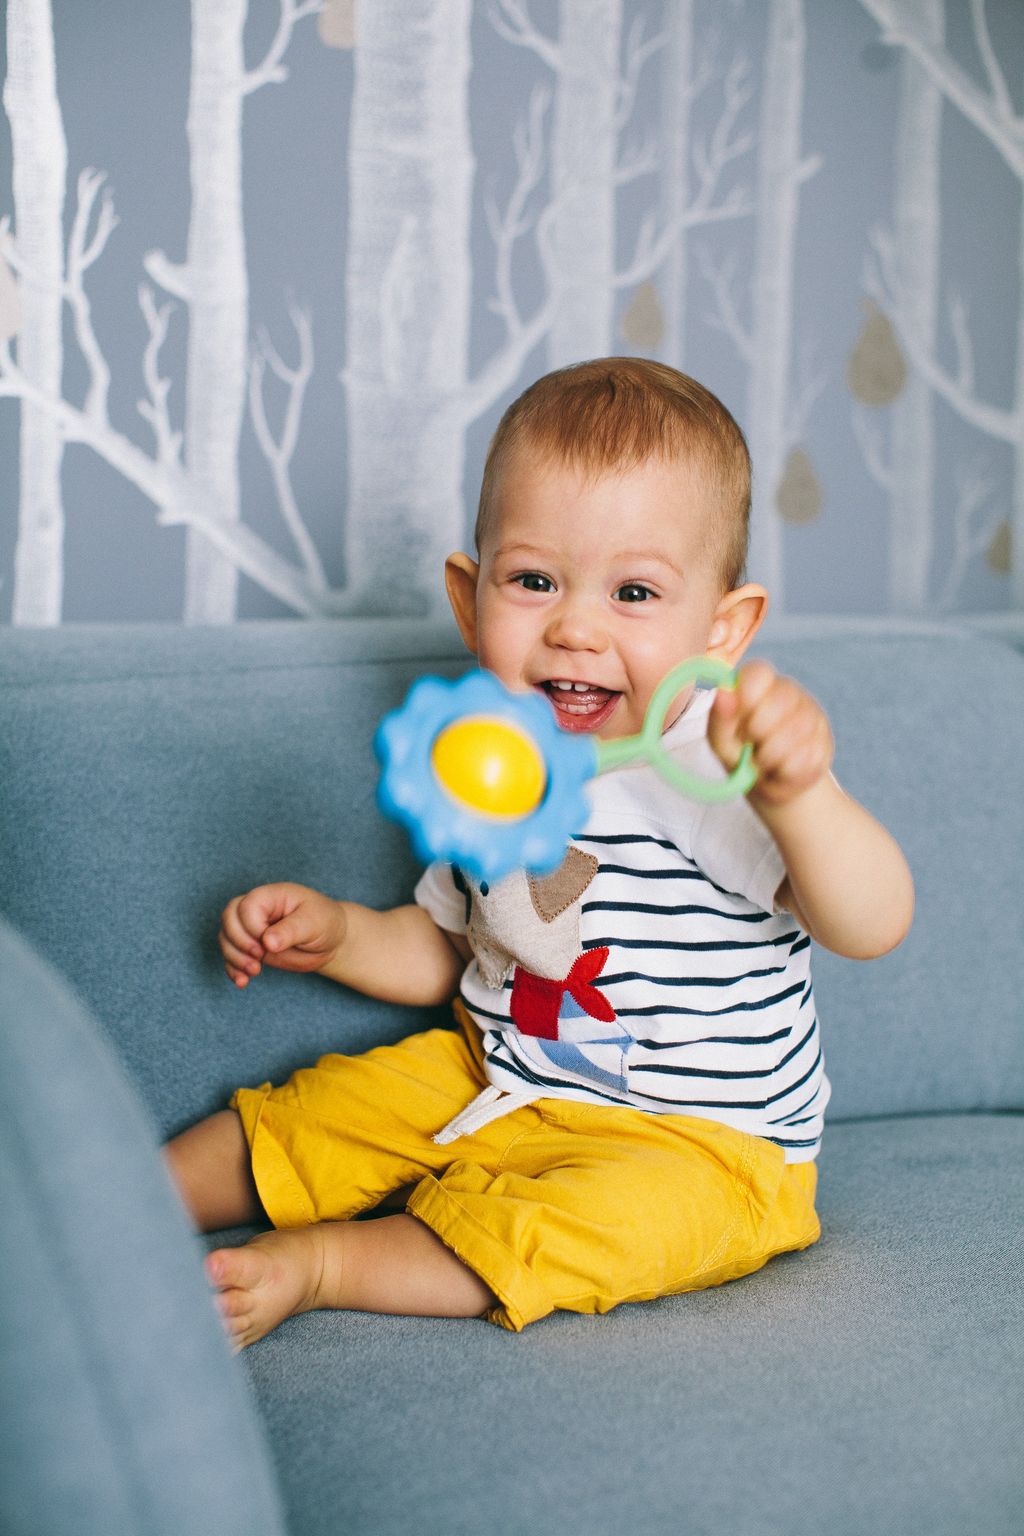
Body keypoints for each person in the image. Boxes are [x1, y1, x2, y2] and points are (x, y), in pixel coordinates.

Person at [165, 358, 914, 1348]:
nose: (574, 627)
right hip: (499, 1078)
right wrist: (339, 934)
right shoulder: (490, 764)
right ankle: (114, 1205)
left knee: (590, 1227)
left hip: (703, 1148)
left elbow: (871, 922)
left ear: (719, 630)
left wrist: (799, 794)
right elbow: (449, 947)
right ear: (471, 603)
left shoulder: (714, 766)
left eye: (634, 591)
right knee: (335, 1103)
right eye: (534, 581)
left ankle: (327, 1263)